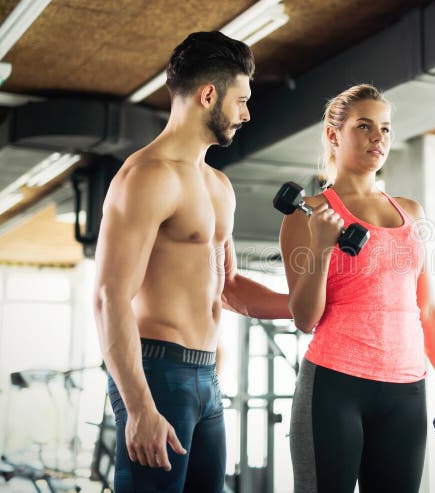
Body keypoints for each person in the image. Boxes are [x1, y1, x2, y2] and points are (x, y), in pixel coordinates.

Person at [93, 32, 290, 493]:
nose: (246, 113)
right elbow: (109, 297)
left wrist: (306, 308)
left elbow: (230, 286)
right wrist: (140, 408)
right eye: (241, 100)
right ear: (208, 95)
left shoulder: (219, 185)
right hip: (157, 374)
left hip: (207, 380)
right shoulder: (147, 177)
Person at [280, 84, 435, 493]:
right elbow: (304, 319)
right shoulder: (309, 214)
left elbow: (427, 312)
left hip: (406, 391)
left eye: (386, 129)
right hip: (335, 385)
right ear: (334, 135)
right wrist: (320, 248)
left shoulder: (410, 211)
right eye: (365, 126)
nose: (379, 137)